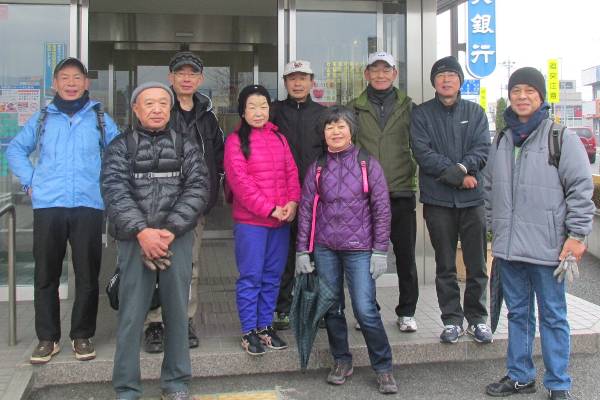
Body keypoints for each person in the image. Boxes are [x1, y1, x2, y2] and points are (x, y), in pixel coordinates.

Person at [483, 67, 594, 400]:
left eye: (529, 91)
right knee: (518, 314)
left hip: (549, 248)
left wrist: (577, 235)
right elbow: (489, 189)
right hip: (510, 248)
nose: (522, 96)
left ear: (541, 96)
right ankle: (520, 376)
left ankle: (558, 383)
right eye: (516, 90)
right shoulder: (502, 139)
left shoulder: (560, 137)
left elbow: (580, 189)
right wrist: (493, 229)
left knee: (553, 316)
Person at [6, 57, 119, 364]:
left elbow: (119, 153)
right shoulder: (43, 117)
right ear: (55, 83)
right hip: (49, 206)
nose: (71, 83)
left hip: (88, 204)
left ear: (86, 83)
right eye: (65, 78)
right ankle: (47, 338)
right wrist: (31, 182)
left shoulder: (99, 118)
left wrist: (107, 186)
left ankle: (82, 335)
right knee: (46, 274)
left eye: (77, 77)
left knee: (87, 275)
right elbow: (15, 150)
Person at [103, 82, 209, 400]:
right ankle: (126, 387)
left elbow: (198, 187)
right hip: (135, 241)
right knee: (131, 315)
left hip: (176, 238)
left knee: (177, 312)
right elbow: (114, 190)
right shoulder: (120, 147)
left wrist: (170, 230)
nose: (157, 109)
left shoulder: (186, 145)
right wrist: (142, 232)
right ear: (135, 109)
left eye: (163, 103)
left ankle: (176, 382)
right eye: (149, 103)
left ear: (171, 108)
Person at [295, 106, 397, 394]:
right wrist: (302, 251)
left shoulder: (368, 164)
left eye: (341, 126)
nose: (335, 132)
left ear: (351, 130)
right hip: (325, 248)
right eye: (330, 127)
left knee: (365, 310)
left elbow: (382, 210)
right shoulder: (317, 167)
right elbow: (306, 211)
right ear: (323, 133)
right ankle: (341, 360)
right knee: (332, 308)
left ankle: (383, 367)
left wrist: (380, 250)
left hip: (360, 249)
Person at [143, 50, 224, 353]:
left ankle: (184, 320)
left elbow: (218, 158)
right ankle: (154, 323)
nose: (187, 78)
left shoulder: (208, 117)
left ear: (200, 79)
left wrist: (209, 192)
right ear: (171, 77)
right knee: (156, 263)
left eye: (192, 73)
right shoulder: (159, 109)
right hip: (159, 205)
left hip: (194, 206)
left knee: (191, 266)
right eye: (181, 73)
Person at [410, 56, 492, 344]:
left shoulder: (476, 112)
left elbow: (482, 149)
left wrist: (461, 169)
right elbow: (423, 153)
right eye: (441, 75)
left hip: (472, 201)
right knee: (444, 264)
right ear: (434, 82)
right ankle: (452, 321)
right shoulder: (421, 114)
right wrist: (459, 177)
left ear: (460, 81)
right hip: (438, 201)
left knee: (476, 264)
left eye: (452, 75)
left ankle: (478, 319)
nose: (446, 80)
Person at [224, 84, 301, 356]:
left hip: (280, 223)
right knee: (251, 277)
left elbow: (292, 173)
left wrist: (292, 202)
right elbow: (240, 183)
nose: (259, 112)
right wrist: (270, 209)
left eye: (264, 107)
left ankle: (265, 327)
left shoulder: (279, 138)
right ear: (243, 111)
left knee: (272, 277)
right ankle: (249, 331)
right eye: (252, 107)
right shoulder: (235, 141)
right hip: (252, 223)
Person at [347, 51, 419, 333]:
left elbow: (420, 145)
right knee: (364, 258)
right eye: (374, 70)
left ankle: (407, 312)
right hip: (365, 195)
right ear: (366, 74)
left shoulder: (409, 107)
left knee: (405, 257)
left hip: (401, 191)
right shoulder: (354, 108)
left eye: (385, 69)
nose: (380, 74)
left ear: (394, 74)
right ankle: (368, 311)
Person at [271, 60, 325, 330]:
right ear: (285, 83)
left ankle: (318, 308)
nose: (297, 83)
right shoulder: (274, 111)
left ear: (312, 82)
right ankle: (283, 308)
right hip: (283, 197)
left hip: (317, 197)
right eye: (292, 78)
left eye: (303, 78)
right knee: (284, 255)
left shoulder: (323, 114)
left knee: (316, 255)